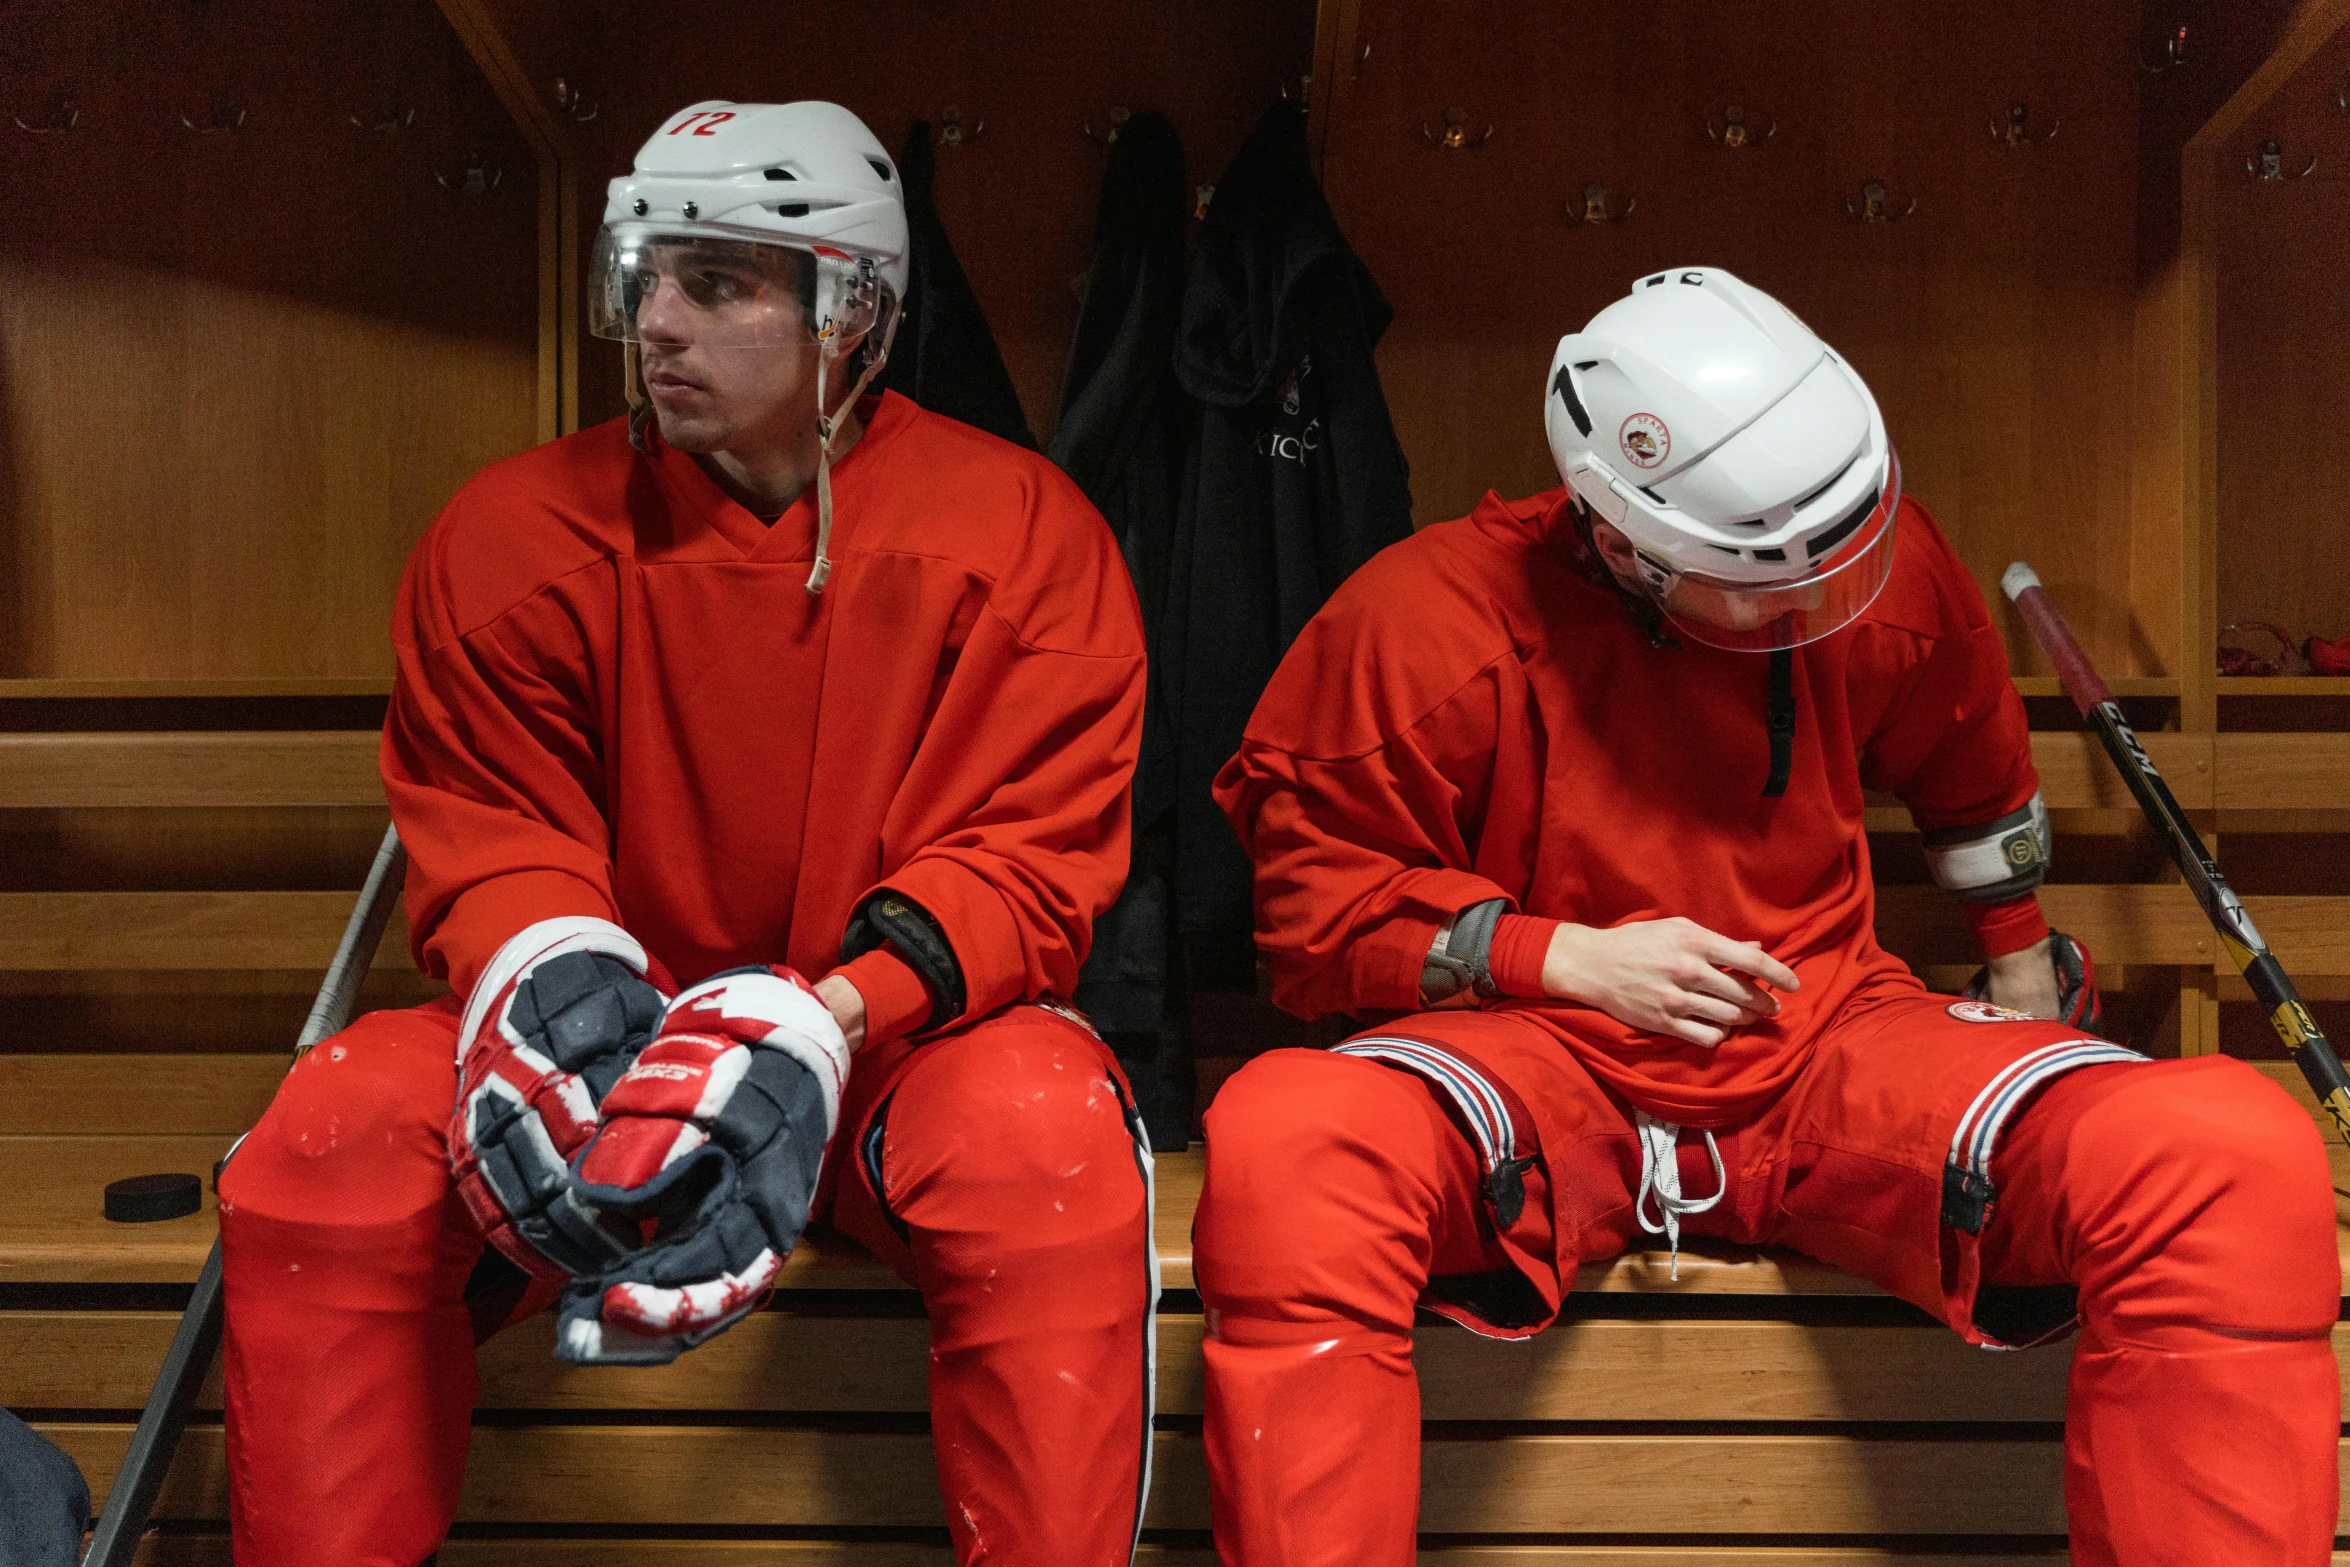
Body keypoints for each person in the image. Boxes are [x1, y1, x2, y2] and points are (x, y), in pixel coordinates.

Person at [1196, 268, 2340, 1565]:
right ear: (1620, 538)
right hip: (1548, 1053)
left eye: (1838, 554)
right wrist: (1553, 952)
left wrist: (2017, 954)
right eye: (1751, 583)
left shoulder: (1838, 545)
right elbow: (1307, 913)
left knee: (2224, 1149)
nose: (1810, 600)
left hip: (1827, 1035)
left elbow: (1962, 742)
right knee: (1290, 1141)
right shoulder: (1419, 626)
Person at [214, 101, 1156, 1567]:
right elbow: (493, 823)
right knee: (327, 1141)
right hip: (588, 1046)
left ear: (850, 310)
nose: (655, 322)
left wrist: (826, 1014)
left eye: (714, 283)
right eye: (642, 277)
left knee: (1044, 1142)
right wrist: (576, 1009)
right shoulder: (511, 534)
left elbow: (1026, 854)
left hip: (891, 1046)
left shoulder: (1023, 533)